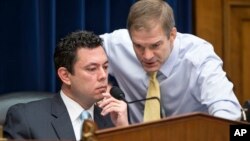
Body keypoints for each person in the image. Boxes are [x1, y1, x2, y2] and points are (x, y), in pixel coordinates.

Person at [100, 0, 242, 124]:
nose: (147, 56)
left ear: (172, 35)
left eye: (155, 45)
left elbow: (227, 112)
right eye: (138, 46)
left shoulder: (198, 57)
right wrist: (99, 82)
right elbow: (80, 50)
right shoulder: (118, 44)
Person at [3, 31, 128, 140]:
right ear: (65, 76)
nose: (103, 75)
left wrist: (124, 130)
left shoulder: (113, 119)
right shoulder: (26, 118)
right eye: (92, 69)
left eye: (105, 67)